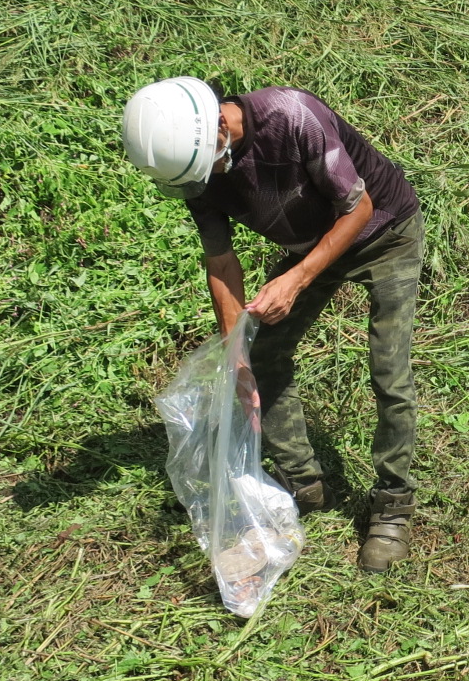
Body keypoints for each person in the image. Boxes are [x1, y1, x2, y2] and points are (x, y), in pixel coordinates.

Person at [122, 77, 423, 574]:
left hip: (385, 233)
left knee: (388, 370)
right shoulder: (194, 169)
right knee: (261, 359)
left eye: (213, 164)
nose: (210, 178)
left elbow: (358, 206)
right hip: (309, 247)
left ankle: (393, 504)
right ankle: (305, 483)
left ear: (220, 121)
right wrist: (234, 350)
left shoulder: (292, 116)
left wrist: (297, 280)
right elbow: (220, 260)